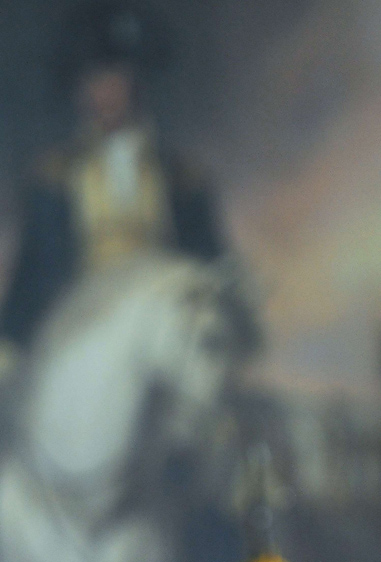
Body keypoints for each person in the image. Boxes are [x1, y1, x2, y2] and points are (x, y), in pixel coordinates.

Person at [0, 1, 222, 355]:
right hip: (81, 326)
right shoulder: (53, 179)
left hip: (164, 325)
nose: (105, 93)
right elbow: (33, 274)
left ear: (135, 84)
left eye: (114, 78)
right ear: (79, 91)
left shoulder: (181, 177)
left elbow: (210, 265)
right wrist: (9, 345)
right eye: (94, 81)